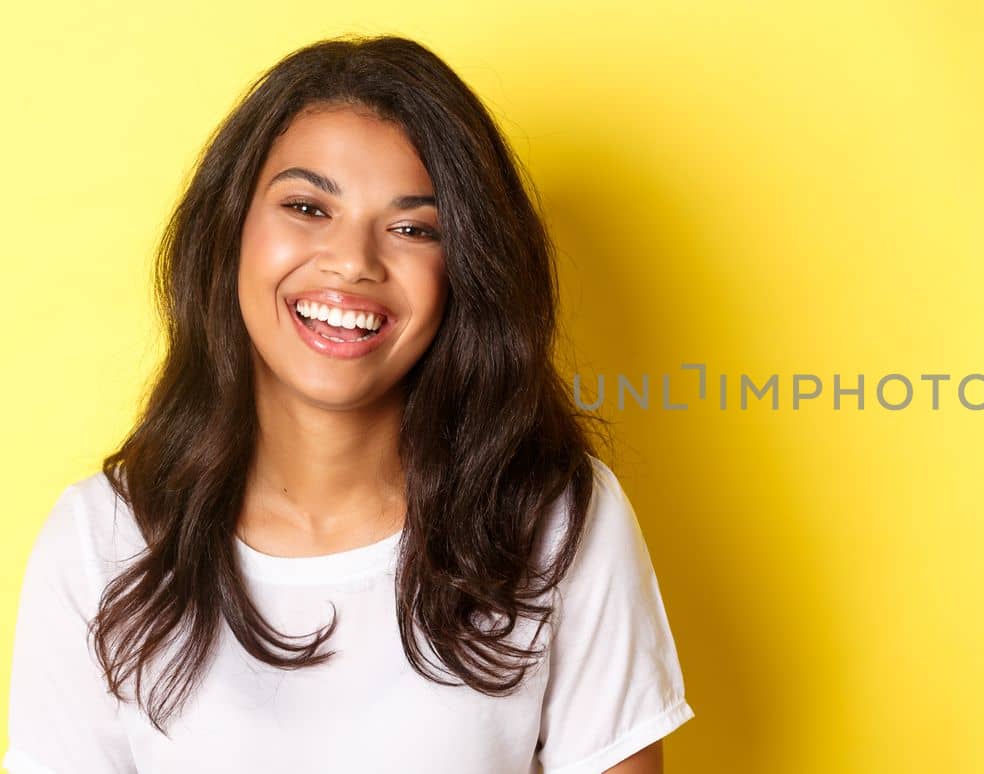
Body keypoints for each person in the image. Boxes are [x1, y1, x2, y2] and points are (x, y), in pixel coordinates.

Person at [3, 34, 693, 774]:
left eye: (412, 229)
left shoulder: (554, 520)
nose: (354, 262)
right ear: (228, 231)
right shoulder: (99, 541)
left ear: (465, 271)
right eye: (306, 206)